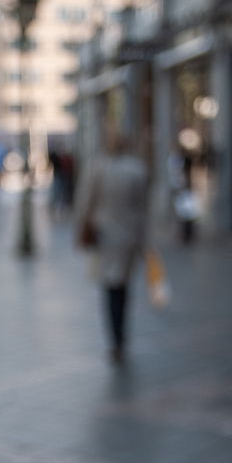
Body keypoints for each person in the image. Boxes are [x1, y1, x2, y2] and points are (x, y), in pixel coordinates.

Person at [74, 131, 148, 364]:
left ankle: (116, 339)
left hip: (105, 236)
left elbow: (85, 202)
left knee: (110, 288)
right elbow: (143, 208)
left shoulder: (98, 168)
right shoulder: (137, 169)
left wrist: (81, 231)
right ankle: (121, 336)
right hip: (127, 237)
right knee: (123, 287)